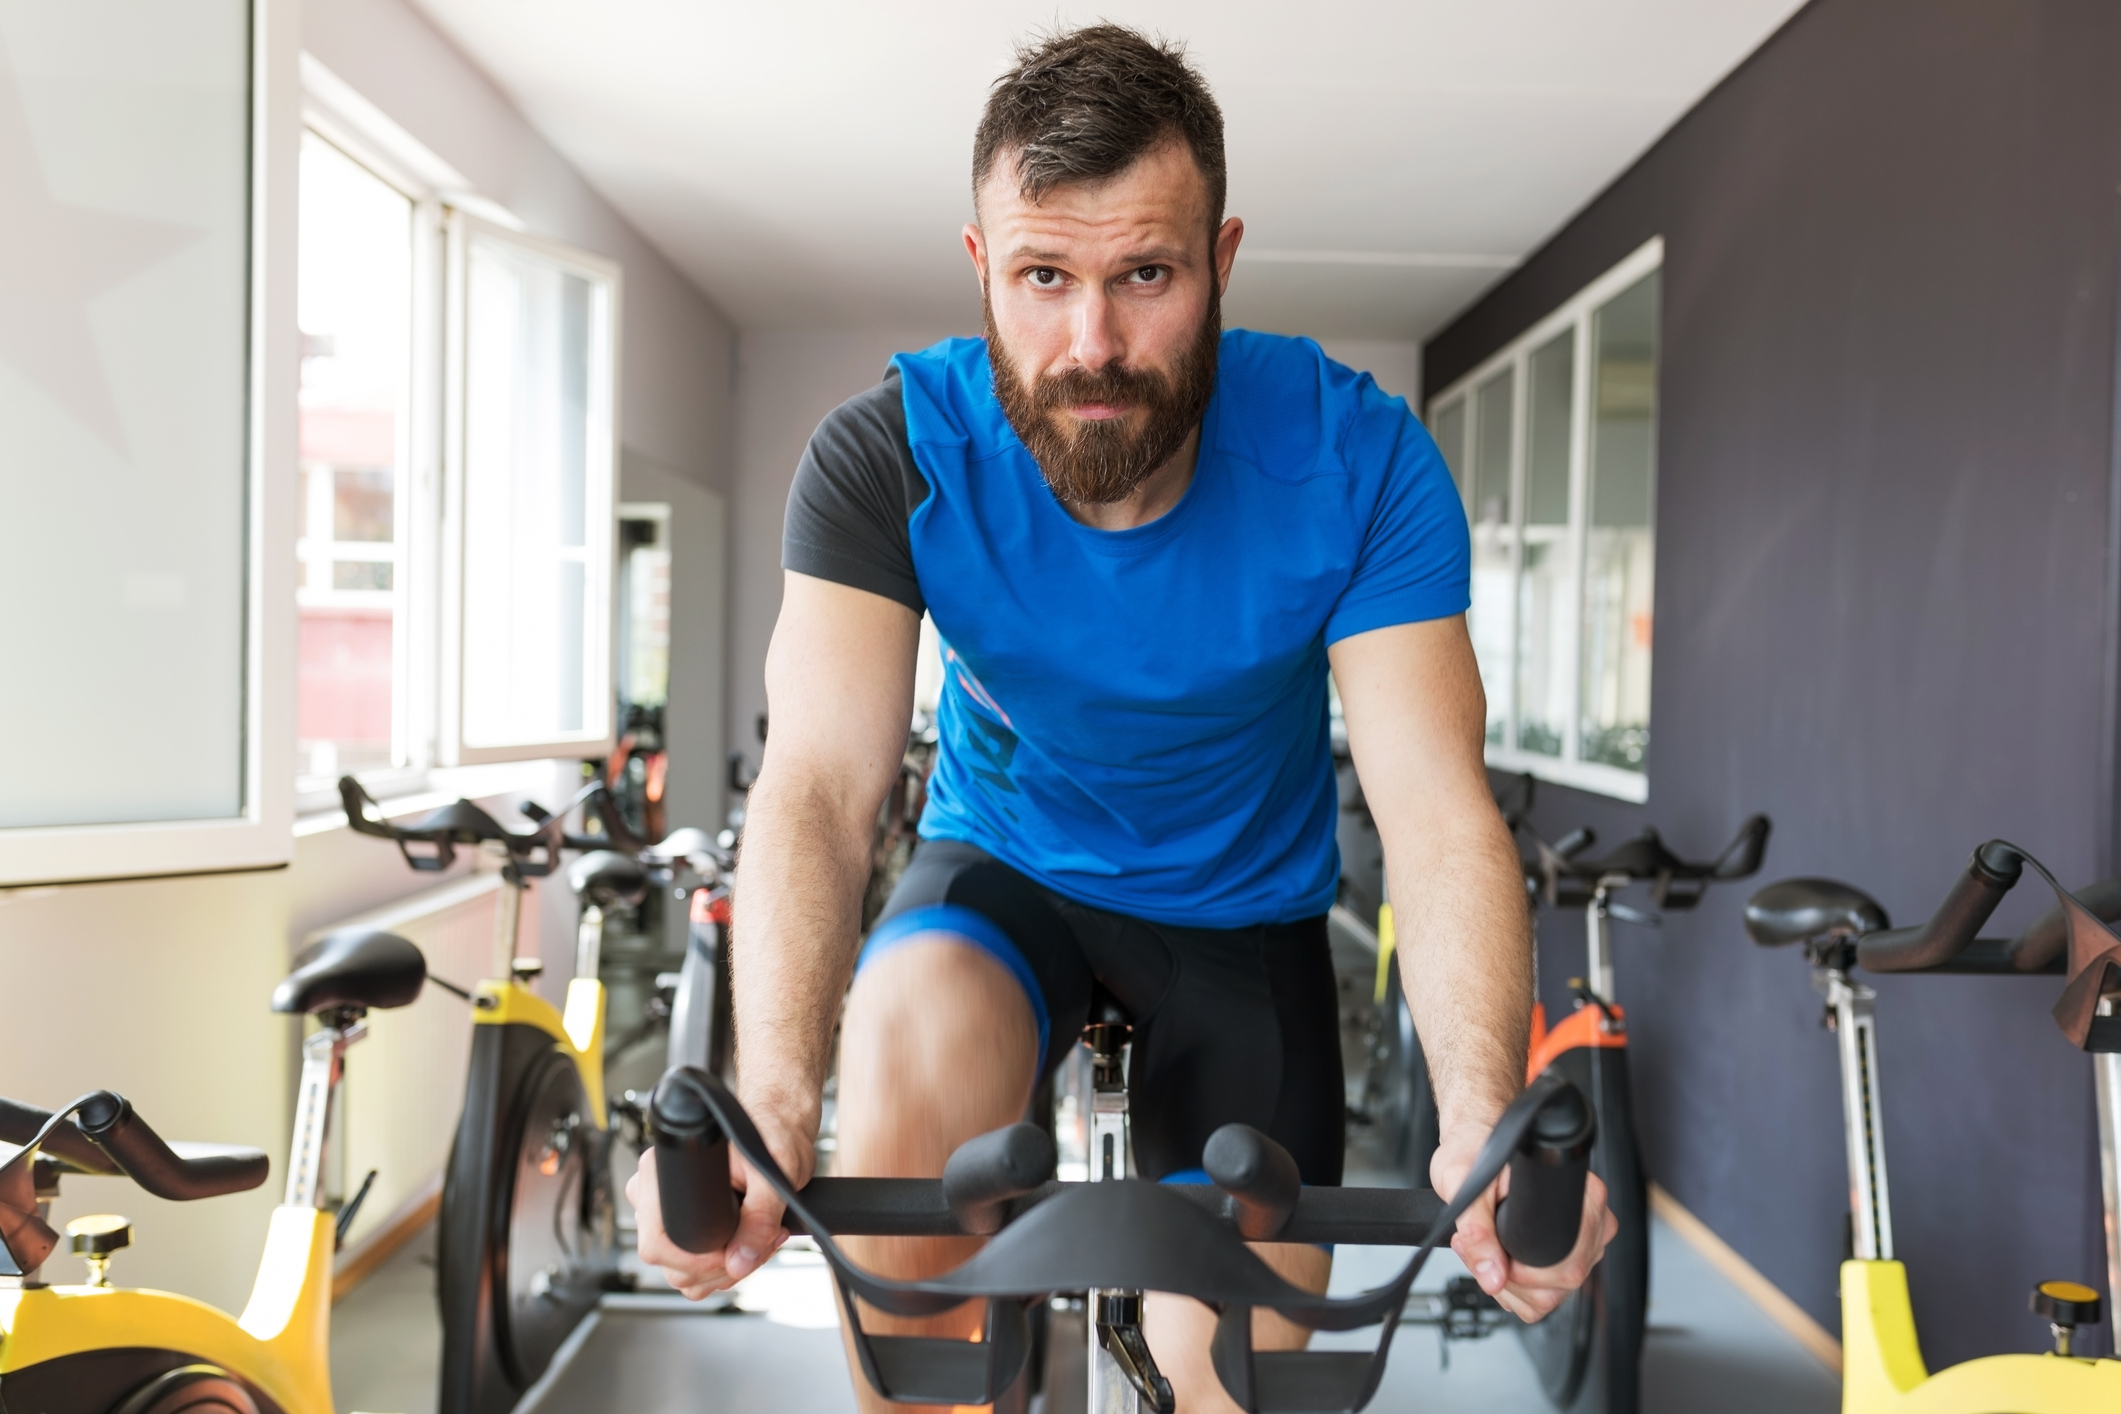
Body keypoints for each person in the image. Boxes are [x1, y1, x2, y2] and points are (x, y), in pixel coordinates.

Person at [631, 23, 1615, 1413]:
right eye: (1043, 277)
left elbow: (1438, 809)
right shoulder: (892, 452)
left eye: (1144, 275)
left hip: (1241, 919)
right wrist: (774, 1106)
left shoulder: (1356, 458)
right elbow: (814, 788)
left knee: (1233, 1371)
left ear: (1217, 260)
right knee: (903, 1043)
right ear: (983, 270)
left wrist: (1476, 1120)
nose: (1090, 344)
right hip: (1004, 878)